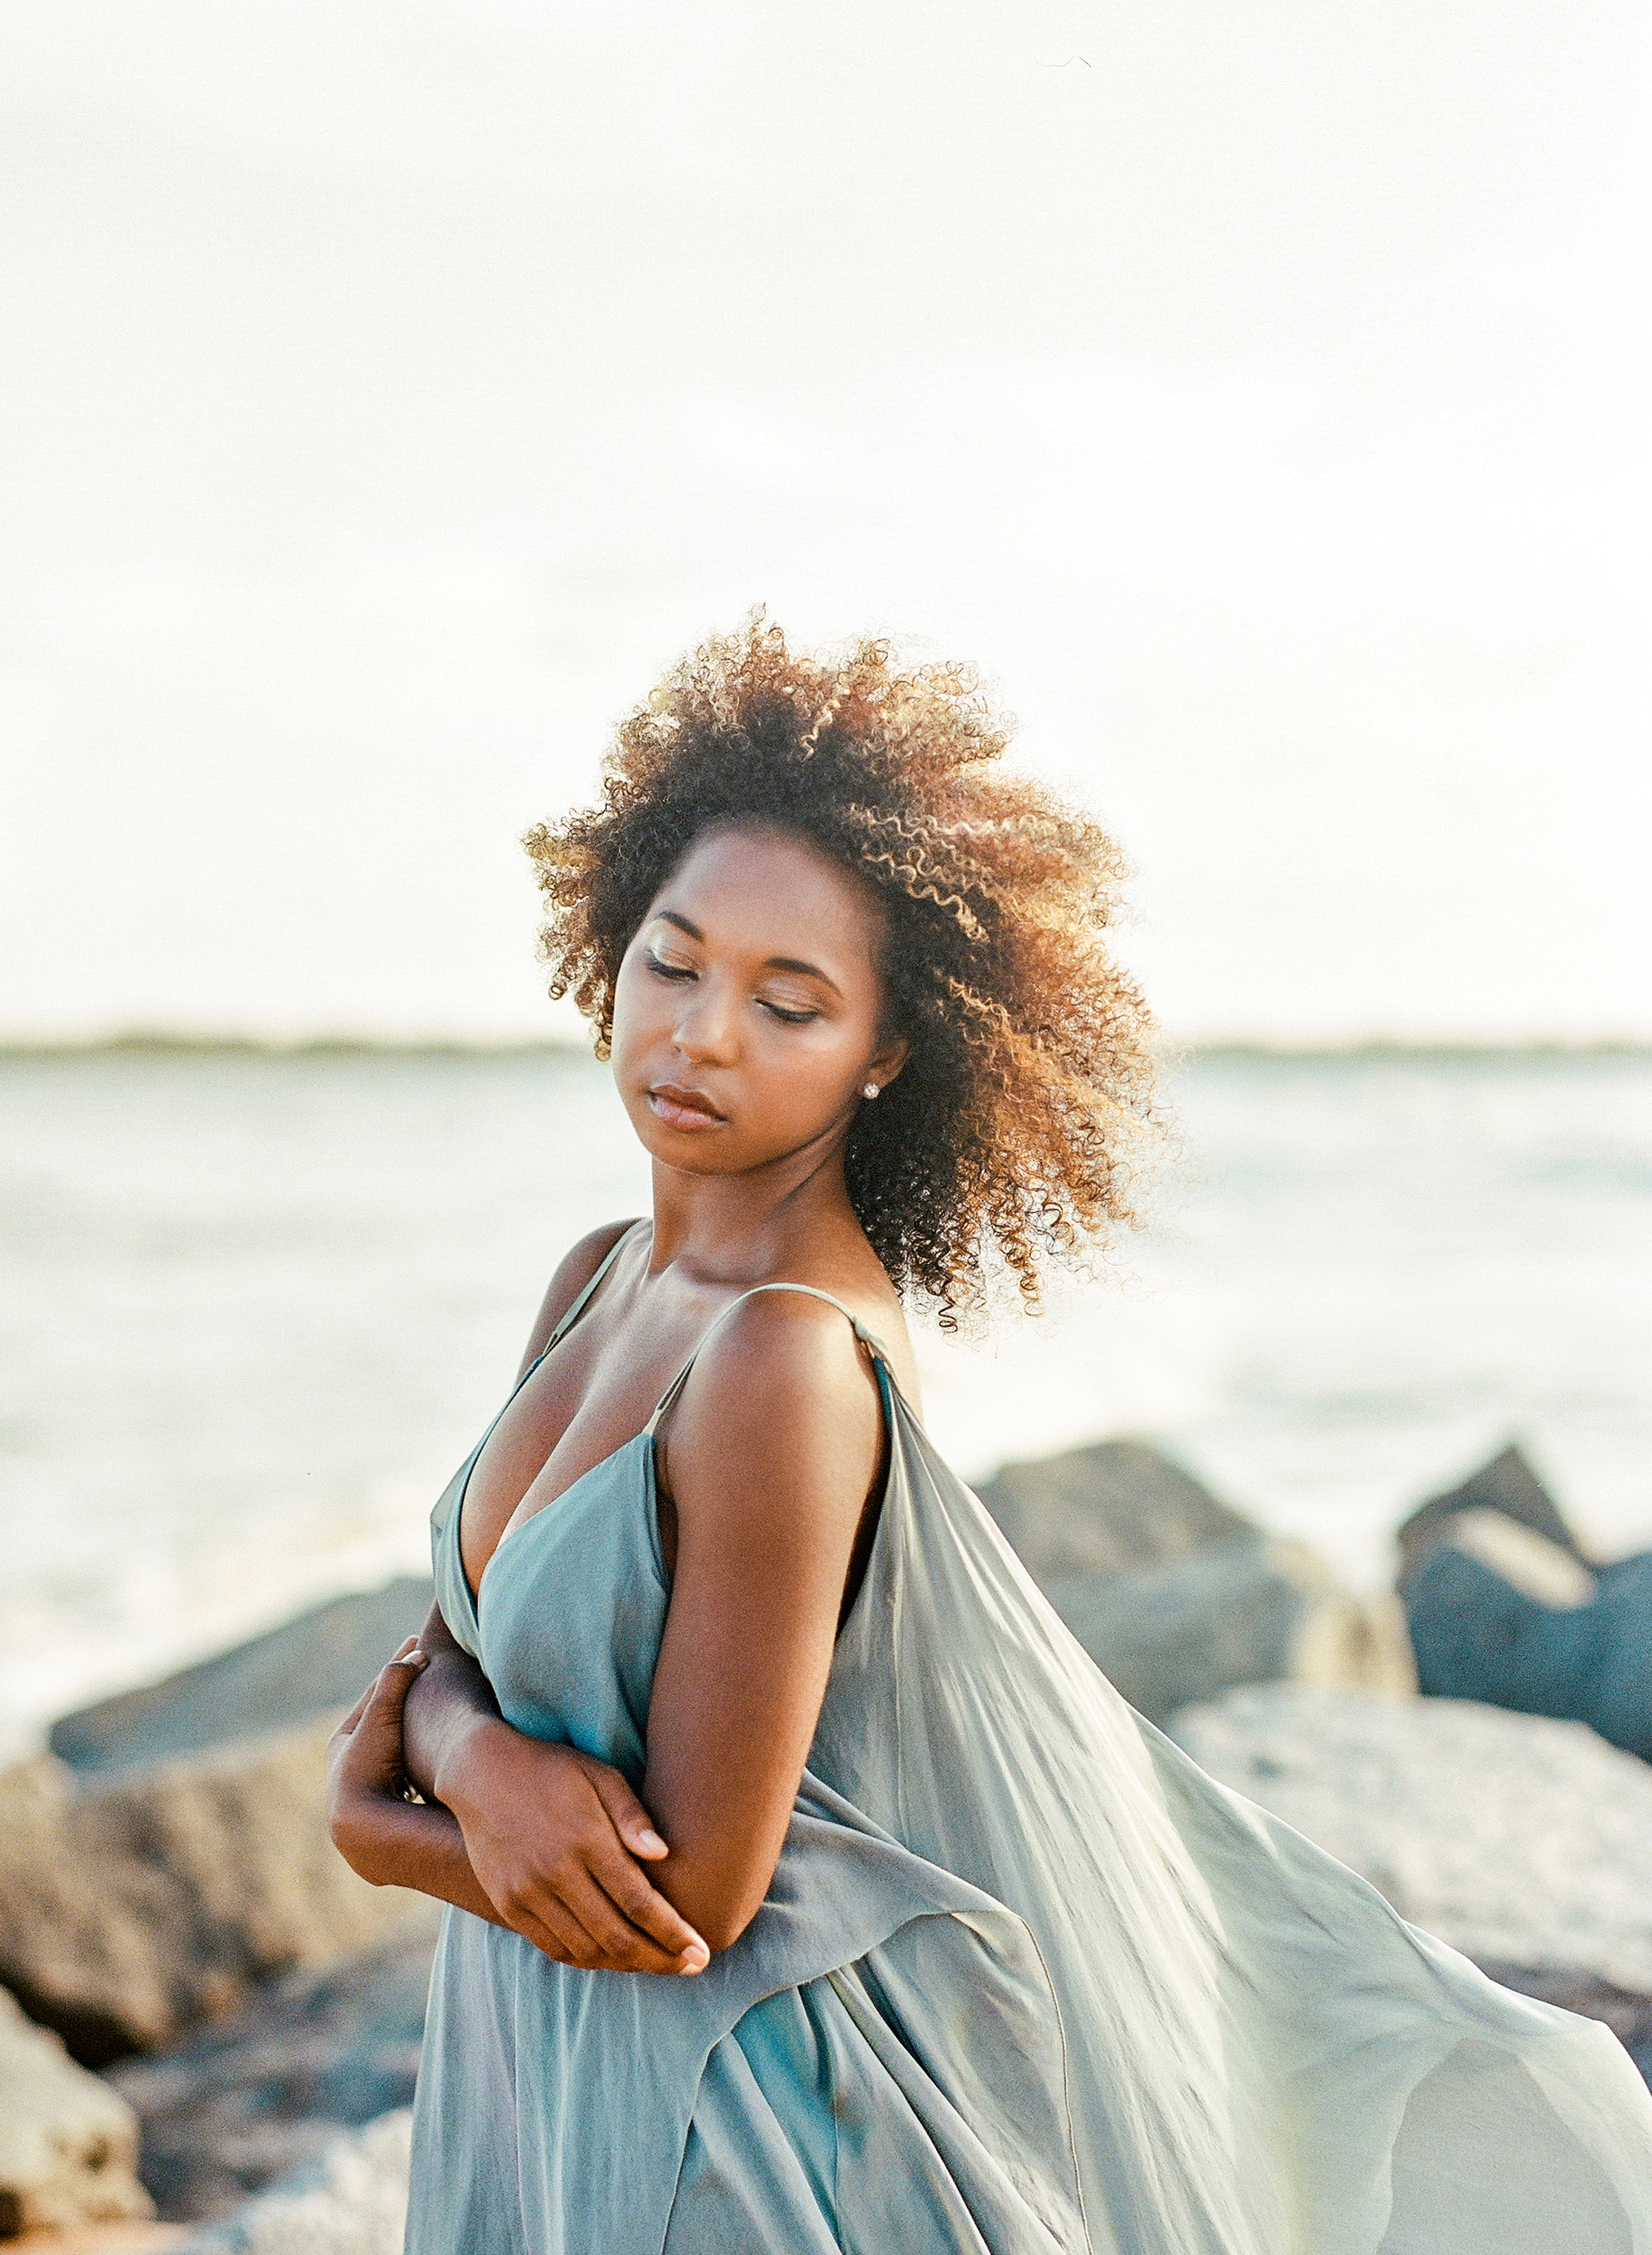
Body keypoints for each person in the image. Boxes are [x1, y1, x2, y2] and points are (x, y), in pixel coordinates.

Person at [327, 616, 1652, 2253]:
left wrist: (386, 1825)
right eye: (671, 960)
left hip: (722, 2138)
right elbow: (461, 1657)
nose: (701, 1030)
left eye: (786, 1000)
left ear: (887, 1052)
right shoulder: (600, 1276)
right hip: (542, 2062)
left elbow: (691, 1901)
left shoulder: (781, 1365)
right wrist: (466, 1752)